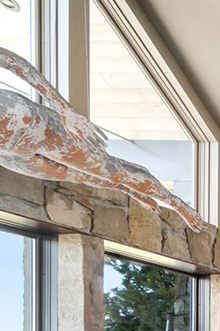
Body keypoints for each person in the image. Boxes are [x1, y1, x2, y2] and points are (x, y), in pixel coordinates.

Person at [0, 47, 201, 230]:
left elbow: (15, 63)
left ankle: (175, 203)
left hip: (29, 124)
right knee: (85, 178)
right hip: (9, 154)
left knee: (110, 171)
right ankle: (129, 189)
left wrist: (64, 109)